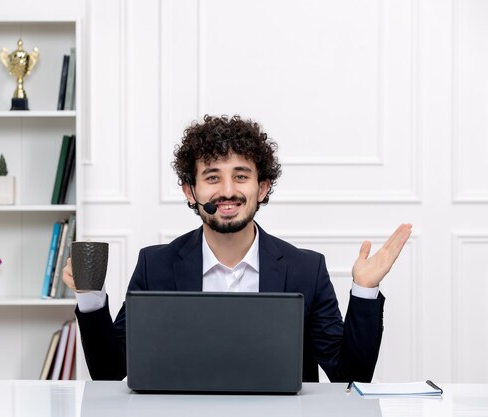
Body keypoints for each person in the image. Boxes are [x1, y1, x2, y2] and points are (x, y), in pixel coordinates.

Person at [63, 114, 412, 382]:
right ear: (190, 191)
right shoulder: (156, 265)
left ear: (262, 188)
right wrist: (90, 298)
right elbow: (111, 372)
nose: (227, 191)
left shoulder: (305, 269)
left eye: (241, 176)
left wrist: (364, 291)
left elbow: (348, 375)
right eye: (212, 177)